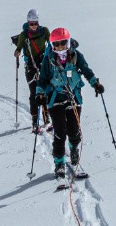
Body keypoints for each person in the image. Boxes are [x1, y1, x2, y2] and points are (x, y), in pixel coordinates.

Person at [38, 26, 105, 181]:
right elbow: (42, 80)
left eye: (63, 43)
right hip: (56, 99)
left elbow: (86, 71)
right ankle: (59, 163)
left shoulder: (76, 56)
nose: (60, 47)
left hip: (74, 97)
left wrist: (95, 84)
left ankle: (74, 148)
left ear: (68, 42)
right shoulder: (48, 60)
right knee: (60, 132)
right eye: (56, 44)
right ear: (52, 45)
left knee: (74, 130)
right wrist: (39, 94)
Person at [10, 10, 51, 133]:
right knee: (34, 93)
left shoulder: (44, 31)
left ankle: (46, 119)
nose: (34, 26)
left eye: (35, 23)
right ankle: (35, 122)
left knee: (45, 91)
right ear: (28, 22)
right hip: (31, 67)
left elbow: (51, 44)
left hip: (43, 65)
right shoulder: (24, 35)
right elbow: (19, 47)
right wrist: (17, 52)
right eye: (31, 23)